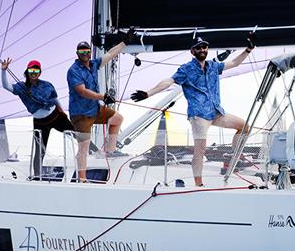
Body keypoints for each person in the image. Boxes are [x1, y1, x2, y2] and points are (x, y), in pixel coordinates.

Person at [130, 33, 256, 187]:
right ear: (192, 51)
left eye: (204, 47)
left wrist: (248, 49)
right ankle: (199, 184)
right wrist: (148, 93)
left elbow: (235, 63)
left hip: (216, 111)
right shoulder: (186, 69)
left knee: (244, 126)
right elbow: (168, 82)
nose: (202, 49)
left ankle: (234, 159)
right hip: (199, 115)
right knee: (200, 150)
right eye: (198, 48)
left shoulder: (213, 66)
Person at [1, 58, 74, 179]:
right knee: (39, 151)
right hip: (40, 122)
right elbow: (6, 86)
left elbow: (55, 99)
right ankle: (37, 175)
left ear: (39, 72)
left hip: (56, 116)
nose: (33, 73)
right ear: (27, 72)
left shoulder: (47, 85)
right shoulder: (21, 87)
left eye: (36, 70)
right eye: (31, 70)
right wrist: (4, 71)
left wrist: (62, 111)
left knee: (75, 132)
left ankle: (95, 152)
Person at [67, 39, 128, 181]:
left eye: (87, 51)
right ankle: (82, 179)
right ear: (77, 53)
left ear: (89, 52)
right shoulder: (73, 71)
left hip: (94, 109)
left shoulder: (93, 64)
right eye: (81, 51)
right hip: (81, 114)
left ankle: (110, 150)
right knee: (83, 149)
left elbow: (111, 54)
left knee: (117, 119)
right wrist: (103, 96)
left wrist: (124, 43)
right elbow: (82, 91)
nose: (85, 53)